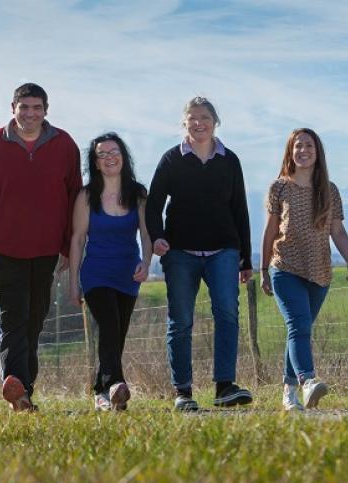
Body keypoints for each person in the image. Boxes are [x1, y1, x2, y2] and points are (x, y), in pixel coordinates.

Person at [0, 83, 82, 411]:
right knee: (12, 318)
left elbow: (75, 197)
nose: (30, 114)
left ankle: (23, 388)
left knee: (35, 319)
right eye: (24, 107)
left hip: (46, 250)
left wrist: (67, 248)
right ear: (12, 108)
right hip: (3, 248)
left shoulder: (65, 145)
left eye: (36, 108)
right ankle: (19, 388)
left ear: (46, 110)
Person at [145, 96, 253, 411]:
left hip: (224, 250)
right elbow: (153, 206)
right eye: (192, 118)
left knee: (227, 315)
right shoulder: (171, 159)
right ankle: (184, 392)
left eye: (204, 117)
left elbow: (240, 209)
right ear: (185, 123)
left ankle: (224, 386)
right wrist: (157, 238)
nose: (198, 123)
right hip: (180, 252)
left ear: (214, 121)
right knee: (180, 321)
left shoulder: (229, 160)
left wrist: (245, 257)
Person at [260, 128, 348, 411]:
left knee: (299, 330)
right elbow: (271, 230)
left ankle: (288, 392)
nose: (303, 150)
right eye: (298, 146)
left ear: (317, 151)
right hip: (284, 266)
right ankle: (308, 381)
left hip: (320, 271)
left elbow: (338, 233)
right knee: (298, 324)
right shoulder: (279, 188)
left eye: (308, 145)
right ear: (290, 151)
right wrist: (263, 269)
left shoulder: (330, 191)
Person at [69, 132, 151, 411]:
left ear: (123, 156)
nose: (109, 158)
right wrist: (73, 283)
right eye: (102, 154)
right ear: (95, 162)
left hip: (128, 273)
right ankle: (116, 384)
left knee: (117, 335)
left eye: (113, 152)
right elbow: (78, 238)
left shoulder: (138, 193)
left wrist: (147, 262)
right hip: (96, 274)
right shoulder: (86, 196)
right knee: (109, 325)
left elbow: (146, 232)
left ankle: (100, 392)